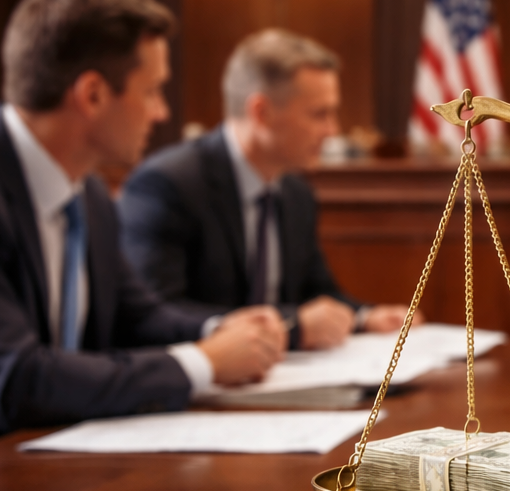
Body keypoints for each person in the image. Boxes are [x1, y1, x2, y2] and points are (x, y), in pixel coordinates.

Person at [0, 0, 285, 454]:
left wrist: (223, 332)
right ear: (93, 95)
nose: (162, 112)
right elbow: (9, 383)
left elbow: (136, 317)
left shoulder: (88, 192)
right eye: (152, 91)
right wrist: (202, 363)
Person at [119, 29, 414, 351]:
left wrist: (366, 317)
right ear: (261, 112)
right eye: (320, 114)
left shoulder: (296, 193)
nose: (333, 131)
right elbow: (157, 316)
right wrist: (291, 327)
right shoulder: (169, 185)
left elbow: (317, 293)